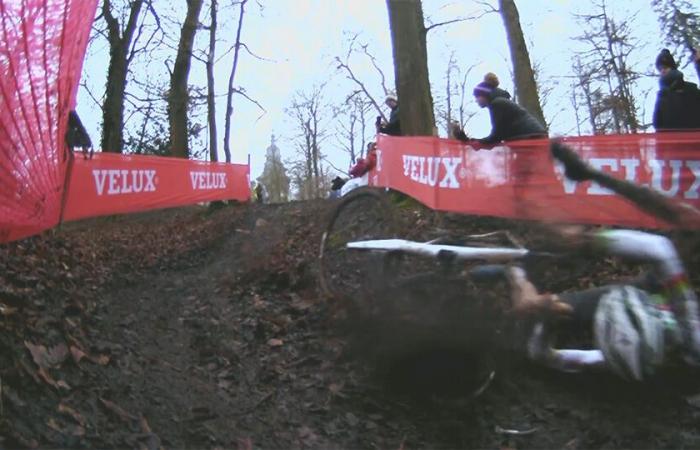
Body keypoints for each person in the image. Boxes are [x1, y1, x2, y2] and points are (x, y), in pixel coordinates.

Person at [478, 142, 700, 382]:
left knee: (543, 310)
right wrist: (584, 235)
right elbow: (665, 243)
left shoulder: (653, 356)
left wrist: (542, 315)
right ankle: (523, 279)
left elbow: (548, 356)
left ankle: (513, 275)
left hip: (665, 308)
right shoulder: (689, 327)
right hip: (671, 291)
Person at [450, 73, 547, 147]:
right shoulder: (501, 103)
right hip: (532, 137)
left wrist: (471, 142)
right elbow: (497, 136)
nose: (476, 100)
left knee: (524, 170)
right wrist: (469, 140)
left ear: (484, 95)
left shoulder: (497, 104)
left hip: (530, 139)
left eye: (477, 97)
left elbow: (496, 137)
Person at [652, 49, 700, 131]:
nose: (662, 71)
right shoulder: (662, 95)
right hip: (672, 141)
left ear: (672, 68)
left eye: (665, 67)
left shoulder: (691, 89)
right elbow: (657, 124)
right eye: (660, 69)